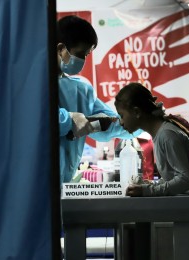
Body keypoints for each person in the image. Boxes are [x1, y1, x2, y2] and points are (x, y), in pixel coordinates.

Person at [114, 82, 189, 260]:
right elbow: (175, 177)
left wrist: (148, 190)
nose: (121, 122)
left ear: (137, 112)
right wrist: (150, 185)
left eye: (122, 115)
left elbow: (184, 179)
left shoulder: (166, 135)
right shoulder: (159, 134)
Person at [56, 15, 141, 185]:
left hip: (63, 186)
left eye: (87, 55)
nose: (83, 61)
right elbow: (36, 119)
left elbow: (111, 125)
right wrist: (70, 120)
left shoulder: (81, 90)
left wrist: (142, 119)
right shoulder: (30, 84)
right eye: (80, 54)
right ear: (61, 49)